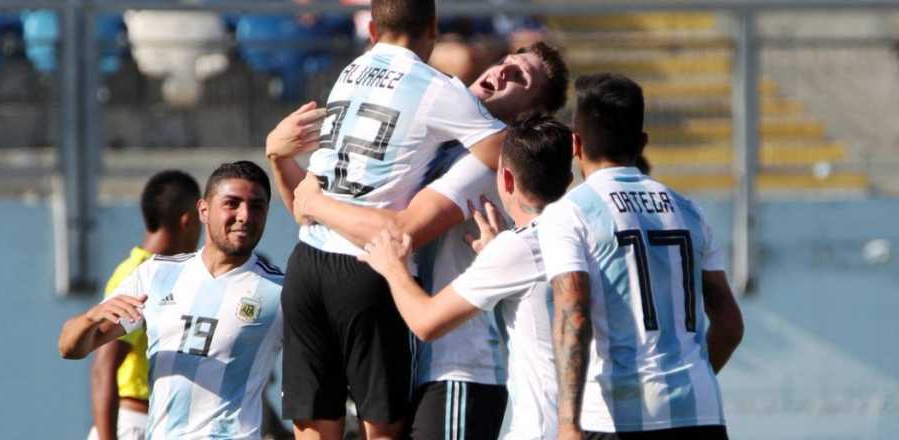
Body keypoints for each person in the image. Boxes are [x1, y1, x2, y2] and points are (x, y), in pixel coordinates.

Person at [267, 40, 568, 440]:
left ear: (530, 113)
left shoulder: (485, 168)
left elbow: (397, 235)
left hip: (460, 365)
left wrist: (318, 204)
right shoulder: (439, 141)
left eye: (518, 77)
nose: (499, 72)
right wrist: (279, 158)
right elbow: (326, 228)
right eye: (503, 63)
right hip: (421, 353)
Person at [536, 73, 745, 440]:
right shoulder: (688, 210)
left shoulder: (570, 212)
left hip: (616, 417)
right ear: (642, 143)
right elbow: (729, 324)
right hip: (699, 413)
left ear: (575, 144)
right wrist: (687, 381)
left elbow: (574, 314)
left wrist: (568, 423)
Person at [356, 114, 574, 440]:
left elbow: (426, 321)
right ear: (569, 178)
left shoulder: (517, 248)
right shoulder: (584, 234)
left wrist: (393, 267)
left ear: (507, 180)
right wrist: (497, 255)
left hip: (540, 430)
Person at [59, 161, 284, 440]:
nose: (245, 215)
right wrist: (91, 317)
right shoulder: (156, 274)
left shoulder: (281, 291)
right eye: (232, 203)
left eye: (257, 206)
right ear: (202, 210)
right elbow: (72, 348)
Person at [89, 170, 202, 440]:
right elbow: (104, 365)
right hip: (133, 425)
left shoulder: (171, 274)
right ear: (188, 220)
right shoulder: (142, 276)